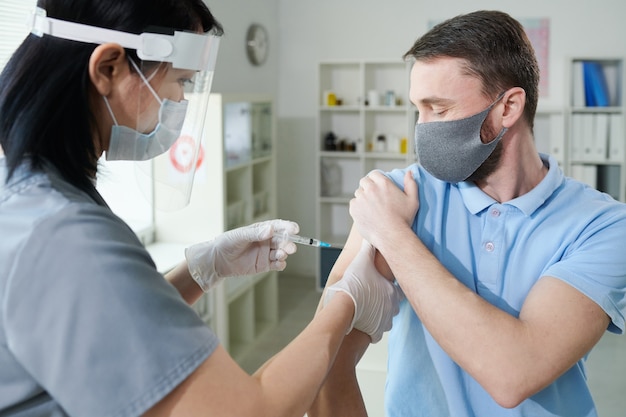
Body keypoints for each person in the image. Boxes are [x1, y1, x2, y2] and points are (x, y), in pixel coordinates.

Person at [0, 1, 402, 416]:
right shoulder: (62, 234)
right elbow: (251, 411)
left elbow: (105, 326)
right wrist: (344, 303)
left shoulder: (30, 185)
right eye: (181, 82)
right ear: (108, 68)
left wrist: (201, 268)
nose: (179, 102)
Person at [310, 10, 626, 417]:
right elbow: (327, 357)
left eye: (438, 110)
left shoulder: (602, 226)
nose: (421, 129)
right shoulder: (396, 195)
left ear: (508, 106)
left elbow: (516, 372)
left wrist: (394, 235)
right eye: (417, 110)